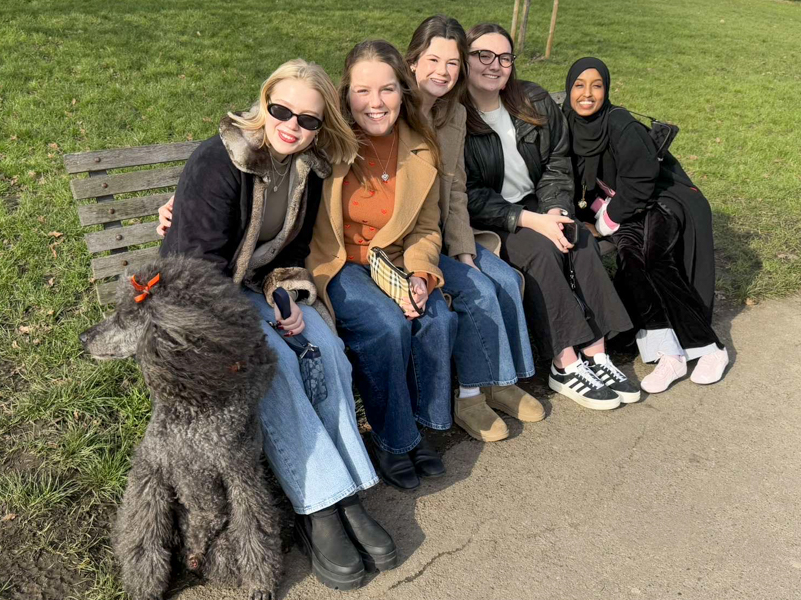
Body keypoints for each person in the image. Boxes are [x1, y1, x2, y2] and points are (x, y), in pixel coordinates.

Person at [156, 59, 395, 591]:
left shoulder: (306, 168)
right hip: (197, 303)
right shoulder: (220, 161)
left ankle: (348, 490)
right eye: (281, 110)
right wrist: (250, 321)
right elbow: (194, 269)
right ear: (263, 104)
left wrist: (286, 297)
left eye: (308, 119)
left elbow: (291, 253)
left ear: (320, 126)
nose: (292, 125)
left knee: (325, 344)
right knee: (277, 362)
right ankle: (316, 506)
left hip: (252, 287)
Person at [461, 23, 640, 411]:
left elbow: (557, 162)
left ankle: (596, 352)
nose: (495, 65)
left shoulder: (533, 101)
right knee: (542, 251)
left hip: (540, 202)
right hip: (494, 219)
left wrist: (556, 209)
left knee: (579, 236)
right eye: (483, 56)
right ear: (466, 58)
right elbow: (468, 193)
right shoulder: (456, 116)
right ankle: (564, 362)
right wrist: (530, 219)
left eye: (504, 58)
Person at [307, 40, 456, 492]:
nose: (376, 103)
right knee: (386, 327)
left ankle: (417, 428)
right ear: (344, 94)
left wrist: (421, 274)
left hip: (392, 261)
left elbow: (426, 226)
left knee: (438, 317)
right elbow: (263, 153)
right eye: (362, 91)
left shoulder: (420, 150)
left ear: (403, 92)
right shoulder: (325, 142)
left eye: (387, 90)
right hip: (339, 263)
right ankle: (394, 442)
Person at [404, 15, 542, 443]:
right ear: (412, 62)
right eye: (432, 60)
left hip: (445, 232)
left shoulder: (454, 114)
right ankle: (468, 397)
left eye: (452, 63)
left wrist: (466, 251)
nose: (442, 72)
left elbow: (457, 189)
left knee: (498, 276)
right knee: (476, 290)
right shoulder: (394, 110)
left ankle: (499, 382)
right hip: (407, 242)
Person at [564, 57, 729, 393]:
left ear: (606, 90)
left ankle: (710, 348)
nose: (587, 94)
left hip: (663, 199)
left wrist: (606, 220)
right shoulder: (567, 125)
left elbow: (642, 179)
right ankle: (669, 354)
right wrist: (591, 218)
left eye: (597, 85)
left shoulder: (620, 122)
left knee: (654, 257)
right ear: (568, 89)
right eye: (579, 85)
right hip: (623, 208)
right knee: (632, 260)